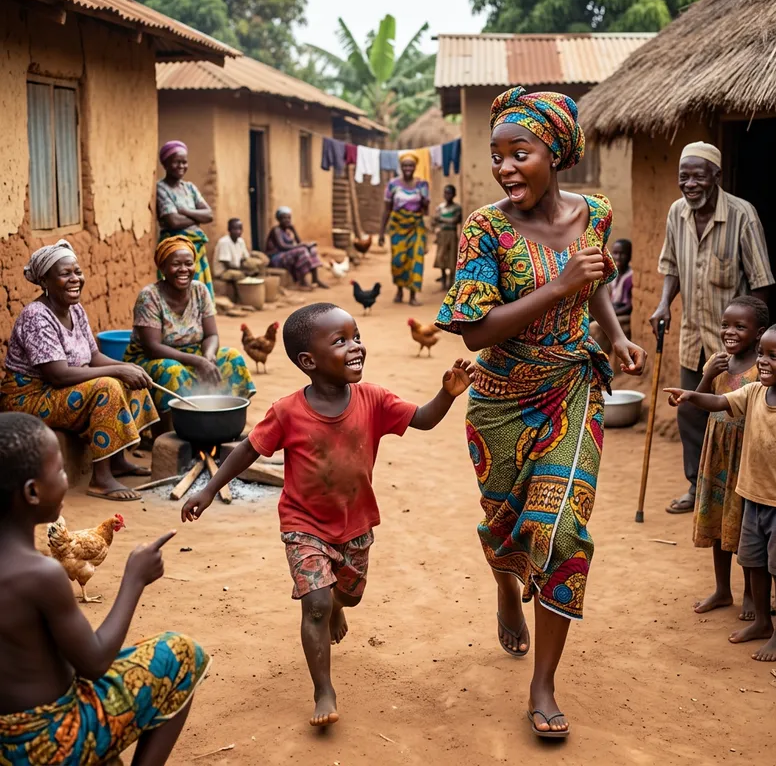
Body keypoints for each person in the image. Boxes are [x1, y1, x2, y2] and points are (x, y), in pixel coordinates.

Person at [436, 87, 646, 738]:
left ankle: (544, 685)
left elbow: (593, 280)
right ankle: (506, 581)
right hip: (500, 402)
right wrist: (557, 286)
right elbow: (474, 332)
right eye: (496, 155)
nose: (504, 168)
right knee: (507, 526)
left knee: (560, 532)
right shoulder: (485, 228)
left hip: (573, 387)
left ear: (554, 153)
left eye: (518, 153)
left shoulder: (595, 212)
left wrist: (614, 335)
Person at [180, 303, 474, 727]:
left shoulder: (374, 399)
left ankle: (339, 605)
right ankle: (324, 689)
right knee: (315, 604)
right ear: (308, 361)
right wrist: (209, 489)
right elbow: (248, 449)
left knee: (348, 595)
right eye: (340, 341)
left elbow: (423, 419)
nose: (355, 347)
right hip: (304, 525)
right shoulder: (287, 412)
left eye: (356, 337)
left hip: (356, 523)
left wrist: (447, 394)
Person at [0, 413, 210, 766]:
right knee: (182, 654)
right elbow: (94, 662)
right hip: (45, 743)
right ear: (33, 492)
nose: (67, 479)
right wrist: (134, 580)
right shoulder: (41, 574)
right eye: (61, 470)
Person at [665, 321, 776, 663]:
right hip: (751, 497)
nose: (763, 361)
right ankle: (762, 622)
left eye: (774, 356)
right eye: (761, 354)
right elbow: (719, 401)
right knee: (753, 563)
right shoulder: (754, 393)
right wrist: (691, 395)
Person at [651, 142, 774, 515]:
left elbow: (761, 282)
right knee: (690, 410)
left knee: (739, 415)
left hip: (734, 340)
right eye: (683, 177)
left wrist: (756, 339)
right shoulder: (676, 212)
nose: (689, 184)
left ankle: (745, 490)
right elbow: (671, 266)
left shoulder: (742, 215)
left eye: (698, 177)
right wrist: (663, 303)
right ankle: (697, 486)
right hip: (693, 335)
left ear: (717, 176)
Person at [0, 241, 158, 501]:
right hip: (29, 397)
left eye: (77, 272)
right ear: (45, 281)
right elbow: (58, 375)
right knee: (108, 386)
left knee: (130, 376)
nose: (75, 279)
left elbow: (93, 356)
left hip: (55, 390)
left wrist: (126, 368)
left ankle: (117, 460)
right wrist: (117, 372)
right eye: (65, 274)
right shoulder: (36, 316)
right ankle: (101, 480)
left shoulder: (75, 308)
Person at [692, 296, 769, 621]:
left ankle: (751, 593)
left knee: (745, 526)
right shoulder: (718, 362)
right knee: (717, 519)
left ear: (759, 333)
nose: (730, 332)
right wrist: (707, 375)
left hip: (746, 455)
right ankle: (722, 589)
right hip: (717, 453)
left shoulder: (762, 369)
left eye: (740, 326)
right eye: (725, 325)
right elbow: (698, 401)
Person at [124, 236, 255, 415]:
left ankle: (223, 417)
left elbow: (211, 335)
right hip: (152, 359)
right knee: (172, 371)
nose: (183, 269)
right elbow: (152, 347)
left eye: (189, 263)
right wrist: (198, 361)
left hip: (194, 353)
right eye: (176, 264)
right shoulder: (149, 296)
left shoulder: (200, 290)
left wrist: (208, 356)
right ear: (162, 268)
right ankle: (173, 427)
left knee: (232, 357)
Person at [157, 140, 215, 299]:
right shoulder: (162, 188)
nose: (181, 166)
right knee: (180, 293)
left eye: (184, 162)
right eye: (176, 162)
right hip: (176, 251)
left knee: (198, 293)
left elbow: (209, 215)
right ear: (165, 164)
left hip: (196, 249)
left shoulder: (189, 187)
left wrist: (185, 211)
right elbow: (173, 221)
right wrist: (197, 217)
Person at [379, 153, 430, 306]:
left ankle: (413, 295)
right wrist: (381, 233)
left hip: (416, 226)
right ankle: (399, 290)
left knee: (416, 259)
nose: (408, 168)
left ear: (415, 167)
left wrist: (425, 200)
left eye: (411, 165)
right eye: (405, 165)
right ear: (400, 167)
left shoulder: (422, 184)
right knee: (398, 260)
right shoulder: (392, 184)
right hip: (397, 227)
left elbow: (426, 210)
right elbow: (387, 209)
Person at [265, 207, 328, 290]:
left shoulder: (287, 231)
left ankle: (315, 279)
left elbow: (299, 242)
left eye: (289, 218)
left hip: (286, 254)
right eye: (284, 218)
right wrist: (301, 246)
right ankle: (302, 281)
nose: (287, 220)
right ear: (279, 219)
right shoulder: (276, 230)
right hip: (276, 257)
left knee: (311, 249)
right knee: (302, 250)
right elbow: (282, 246)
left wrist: (294, 230)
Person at [589, 238, 633, 354]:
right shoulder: (613, 274)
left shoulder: (630, 277)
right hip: (613, 309)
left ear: (629, 256)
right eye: (615, 253)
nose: (618, 257)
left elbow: (629, 306)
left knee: (595, 327)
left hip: (623, 313)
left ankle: (600, 356)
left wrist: (610, 314)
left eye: (622, 254)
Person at [433, 184, 463, 289]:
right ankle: (443, 277)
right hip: (442, 235)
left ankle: (451, 281)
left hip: (451, 234)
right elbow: (434, 220)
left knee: (452, 257)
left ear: (454, 195)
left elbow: (455, 220)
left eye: (449, 193)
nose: (447, 195)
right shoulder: (440, 207)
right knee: (441, 257)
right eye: (446, 193)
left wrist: (441, 219)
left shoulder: (457, 208)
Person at [212, 217, 250, 285]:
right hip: (223, 271)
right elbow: (227, 265)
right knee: (238, 275)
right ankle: (238, 292)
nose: (238, 231)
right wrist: (242, 270)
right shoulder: (224, 242)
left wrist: (246, 268)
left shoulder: (241, 241)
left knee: (254, 267)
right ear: (229, 230)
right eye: (235, 229)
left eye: (240, 229)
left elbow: (244, 258)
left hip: (236, 268)